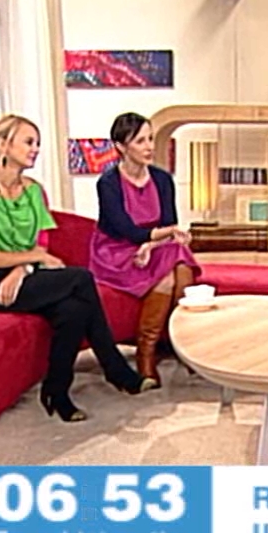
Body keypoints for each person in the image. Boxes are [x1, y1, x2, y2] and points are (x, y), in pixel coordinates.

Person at [0, 114, 158, 424]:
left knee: (74, 310)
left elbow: (40, 243)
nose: (35, 149)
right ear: (3, 144)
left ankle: (57, 391)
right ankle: (116, 371)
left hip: (24, 274)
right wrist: (30, 261)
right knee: (81, 279)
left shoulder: (34, 191)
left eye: (37, 143)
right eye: (29, 142)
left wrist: (23, 268)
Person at [89, 112, 200, 384]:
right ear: (121, 147)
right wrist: (157, 239)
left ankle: (164, 348)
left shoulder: (162, 179)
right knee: (171, 268)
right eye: (140, 141)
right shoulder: (108, 183)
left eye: (150, 139)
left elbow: (168, 222)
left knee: (178, 258)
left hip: (153, 245)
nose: (149, 147)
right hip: (117, 251)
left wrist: (152, 244)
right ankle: (153, 351)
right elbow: (125, 230)